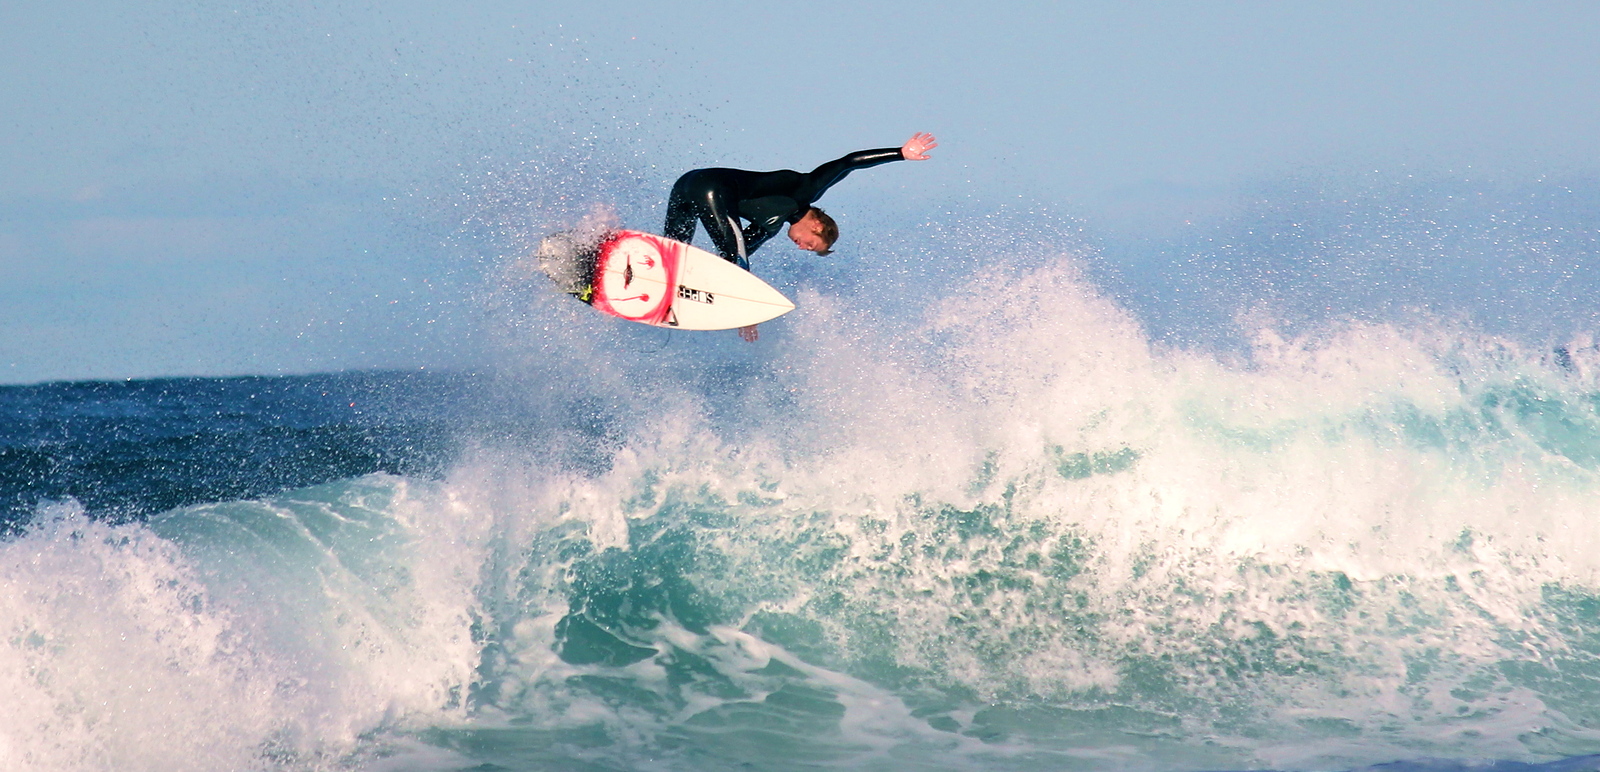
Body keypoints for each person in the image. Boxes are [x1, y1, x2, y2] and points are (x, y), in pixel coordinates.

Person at [663, 132, 937, 341]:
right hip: (711, 186)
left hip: (687, 185)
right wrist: (900, 152)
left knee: (671, 249)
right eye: (812, 244)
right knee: (736, 258)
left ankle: (625, 244)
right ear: (817, 226)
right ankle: (695, 292)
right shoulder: (805, 191)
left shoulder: (768, 227)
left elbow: (728, 259)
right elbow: (847, 163)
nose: (803, 246)